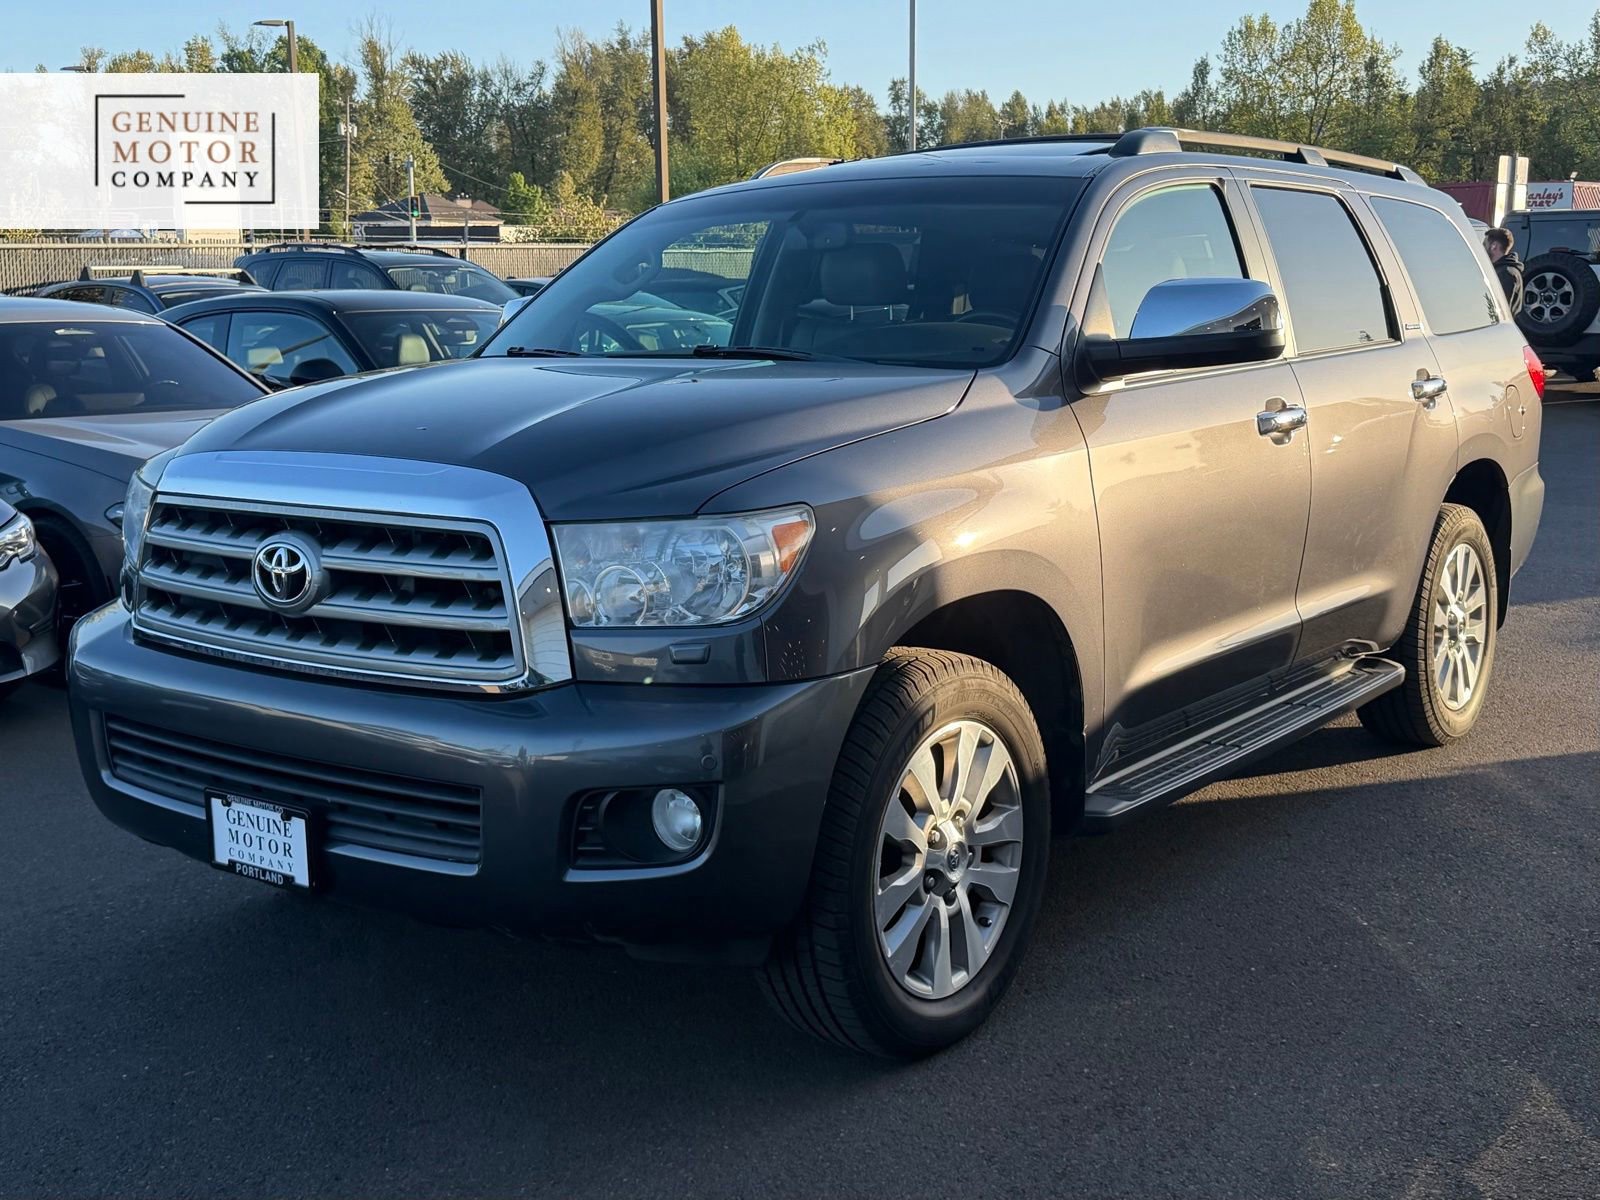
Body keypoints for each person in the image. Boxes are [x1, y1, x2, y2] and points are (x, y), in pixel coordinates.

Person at [1484, 227, 1524, 314]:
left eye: (1484, 244)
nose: (1483, 249)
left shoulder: (1506, 273)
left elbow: (1501, 311)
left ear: (1494, 246)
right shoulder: (1509, 270)